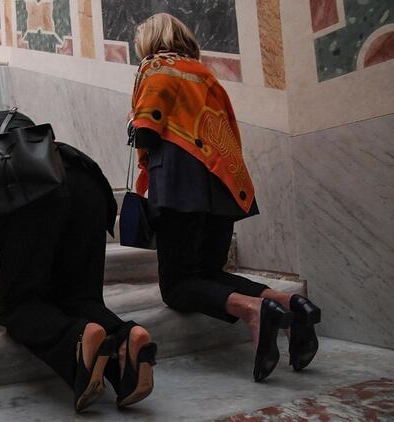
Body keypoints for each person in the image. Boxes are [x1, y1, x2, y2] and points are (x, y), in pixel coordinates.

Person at [0, 90, 158, 412]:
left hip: (35, 196)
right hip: (85, 181)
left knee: (19, 307)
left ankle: (78, 339)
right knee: (79, 299)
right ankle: (126, 341)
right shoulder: (16, 118)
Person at [127, 13, 321, 382]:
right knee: (210, 273)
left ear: (150, 41)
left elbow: (148, 128)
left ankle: (252, 311)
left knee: (177, 286)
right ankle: (289, 303)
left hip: (180, 185)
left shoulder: (156, 68)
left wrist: (136, 131)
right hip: (223, 185)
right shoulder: (205, 74)